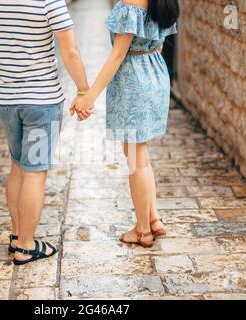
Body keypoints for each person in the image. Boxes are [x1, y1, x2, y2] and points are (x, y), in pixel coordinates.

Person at [0, 0, 92, 265]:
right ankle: (26, 246)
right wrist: (84, 90)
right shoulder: (49, 2)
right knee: (34, 172)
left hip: (8, 101)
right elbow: (70, 51)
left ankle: (17, 236)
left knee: (17, 165)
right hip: (42, 103)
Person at [72, 0, 179, 247]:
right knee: (141, 154)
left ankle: (142, 231)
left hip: (134, 82)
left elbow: (117, 55)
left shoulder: (132, 2)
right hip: (155, 73)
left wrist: (89, 96)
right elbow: (160, 43)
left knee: (135, 158)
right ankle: (153, 218)